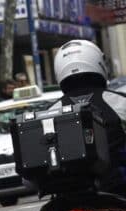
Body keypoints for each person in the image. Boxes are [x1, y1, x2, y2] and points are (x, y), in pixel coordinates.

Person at [53, 39, 126, 193]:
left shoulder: (50, 112)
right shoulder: (120, 101)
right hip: (118, 188)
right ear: (100, 63)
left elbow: (28, 181)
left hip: (69, 194)